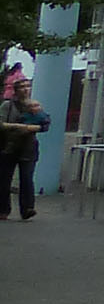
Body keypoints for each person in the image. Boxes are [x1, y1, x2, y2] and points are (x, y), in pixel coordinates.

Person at [0, 65, 48, 220]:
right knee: (4, 179)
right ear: (15, 90)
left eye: (28, 86)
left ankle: (27, 208)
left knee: (27, 178)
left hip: (28, 147)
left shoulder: (34, 105)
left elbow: (44, 123)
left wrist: (35, 127)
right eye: (22, 87)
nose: (26, 90)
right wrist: (21, 127)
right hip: (9, 146)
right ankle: (3, 209)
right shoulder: (8, 106)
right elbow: (1, 124)